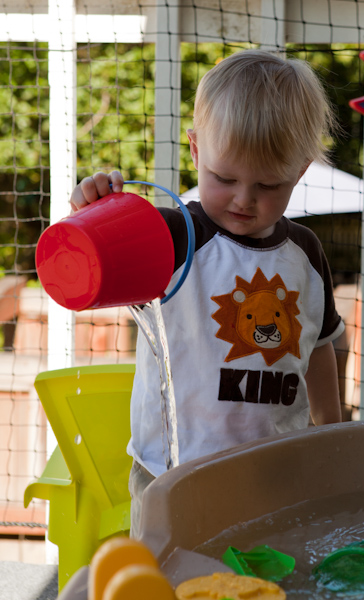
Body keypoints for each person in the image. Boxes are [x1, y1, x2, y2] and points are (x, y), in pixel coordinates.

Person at [70, 49, 345, 536]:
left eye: (268, 184)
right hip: (171, 474)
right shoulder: (170, 237)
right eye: (224, 178)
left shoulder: (304, 252)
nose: (244, 199)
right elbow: (79, 266)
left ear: (300, 172)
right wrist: (88, 209)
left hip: (273, 473)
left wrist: (330, 430)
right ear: (196, 152)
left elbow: (322, 343)